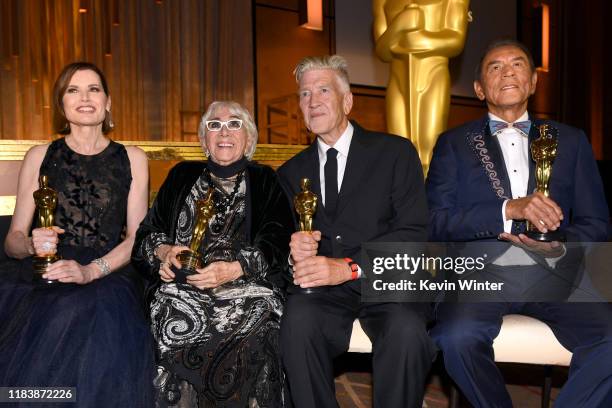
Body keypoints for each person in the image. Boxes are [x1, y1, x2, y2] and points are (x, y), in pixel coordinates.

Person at [427, 40, 612, 407]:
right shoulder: (453, 144)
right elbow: (435, 221)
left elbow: (597, 223)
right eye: (494, 67)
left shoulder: (572, 141)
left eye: (517, 64)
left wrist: (561, 243)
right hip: (480, 274)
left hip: (558, 275)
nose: (507, 71)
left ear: (532, 83)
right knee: (455, 338)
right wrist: (508, 209)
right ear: (479, 89)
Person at [277, 55, 436, 408]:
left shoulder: (395, 152)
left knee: (406, 332)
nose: (312, 101)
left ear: (347, 101)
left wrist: (348, 267)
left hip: (385, 279)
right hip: (323, 293)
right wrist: (294, 253)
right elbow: (282, 243)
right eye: (304, 94)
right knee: (296, 323)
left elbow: (413, 232)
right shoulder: (290, 173)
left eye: (323, 90)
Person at [0, 62, 154, 406]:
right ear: (62, 104)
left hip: (109, 271)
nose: (84, 98)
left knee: (89, 309)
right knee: (55, 309)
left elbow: (136, 239)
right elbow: (13, 240)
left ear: (108, 102)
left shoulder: (133, 158)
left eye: (94, 89)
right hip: (46, 271)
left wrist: (89, 271)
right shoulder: (40, 156)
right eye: (73, 90)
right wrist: (30, 244)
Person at [132, 100, 293, 407]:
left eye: (234, 124)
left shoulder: (265, 179)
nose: (224, 131)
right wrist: (163, 253)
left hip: (247, 288)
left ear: (249, 138)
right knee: (172, 317)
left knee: (258, 318)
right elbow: (146, 235)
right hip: (182, 289)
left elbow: (279, 240)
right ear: (203, 139)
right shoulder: (181, 175)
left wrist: (235, 269)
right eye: (214, 124)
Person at [372, 0, 470, 174]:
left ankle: (431, 199)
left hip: (433, 75)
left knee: (429, 151)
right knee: (399, 153)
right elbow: (382, 50)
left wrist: (420, 38)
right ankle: (403, 200)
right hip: (397, 81)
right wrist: (400, 25)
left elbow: (456, 40)